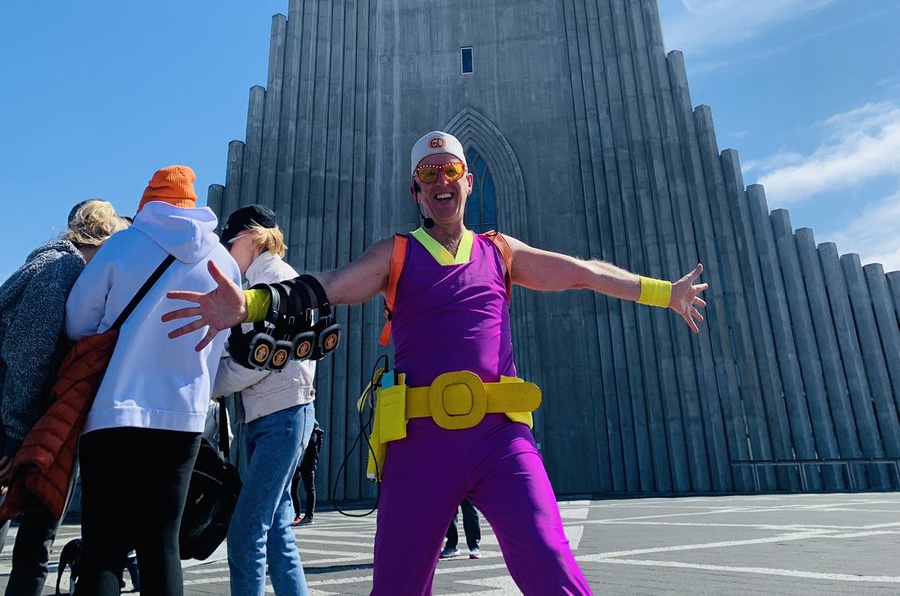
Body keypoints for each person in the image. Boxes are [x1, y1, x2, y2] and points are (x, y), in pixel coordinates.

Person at [164, 131, 706, 596]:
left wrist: (664, 293)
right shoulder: (395, 253)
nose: (442, 180)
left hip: (501, 441)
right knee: (397, 583)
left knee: (549, 562)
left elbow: (582, 272)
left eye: (451, 170)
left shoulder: (501, 252)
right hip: (419, 442)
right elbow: (328, 287)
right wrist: (253, 304)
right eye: (429, 173)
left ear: (468, 181)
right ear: (417, 192)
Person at [64, 166, 239, 596]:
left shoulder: (123, 246)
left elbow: (77, 322)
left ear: (148, 203)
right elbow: (224, 341)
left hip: (114, 411)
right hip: (183, 418)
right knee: (161, 542)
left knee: (105, 545)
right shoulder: (224, 260)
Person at [0, 200, 129, 596]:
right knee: (31, 539)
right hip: (15, 422)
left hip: (33, 421)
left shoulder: (53, 267)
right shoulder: (62, 271)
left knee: (34, 538)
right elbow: (29, 354)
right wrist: (15, 433)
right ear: (104, 242)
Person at [213, 205, 316, 596]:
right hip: (274, 414)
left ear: (255, 236)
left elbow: (253, 359)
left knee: (245, 532)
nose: (227, 248)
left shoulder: (272, 285)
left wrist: (205, 385)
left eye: (232, 240)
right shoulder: (267, 281)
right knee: (275, 533)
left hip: (281, 415)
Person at [290, 421, 324, 526]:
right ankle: (297, 514)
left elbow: (309, 449)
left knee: (309, 488)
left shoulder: (313, 432)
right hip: (299, 463)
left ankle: (309, 516)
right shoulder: (307, 431)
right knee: (292, 490)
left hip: (306, 464)